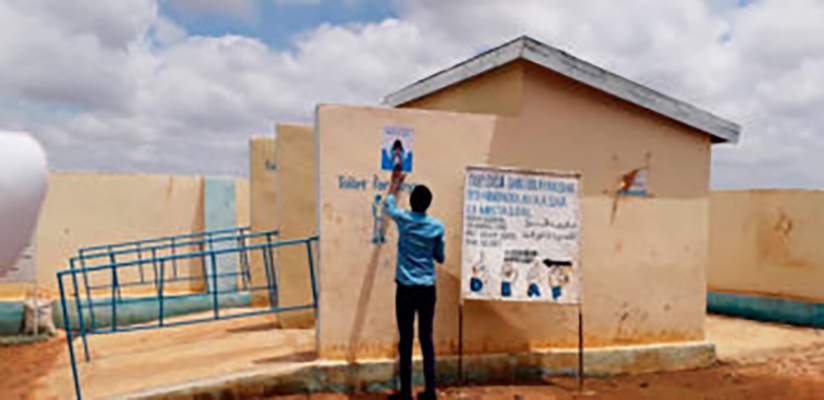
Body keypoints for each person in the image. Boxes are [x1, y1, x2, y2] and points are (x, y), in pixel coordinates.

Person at [385, 170, 444, 400]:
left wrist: (394, 185)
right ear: (428, 204)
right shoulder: (437, 227)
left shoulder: (404, 220)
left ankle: (406, 392)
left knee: (406, 339)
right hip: (427, 289)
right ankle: (430, 391)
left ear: (411, 202)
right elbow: (440, 257)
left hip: (406, 289)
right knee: (426, 338)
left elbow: (388, 207)